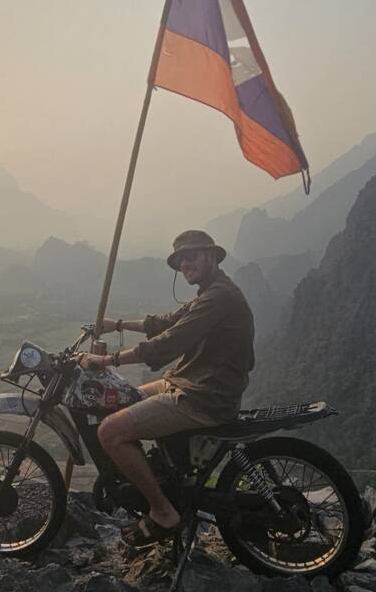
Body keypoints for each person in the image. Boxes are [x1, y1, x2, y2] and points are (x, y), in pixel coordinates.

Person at [76, 229, 255, 547]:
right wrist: (117, 324)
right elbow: (165, 322)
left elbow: (168, 343)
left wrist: (108, 361)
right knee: (123, 400)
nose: (185, 264)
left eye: (192, 255)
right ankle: (165, 476)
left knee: (109, 432)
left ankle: (163, 512)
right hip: (190, 383)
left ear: (212, 255)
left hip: (203, 396)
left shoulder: (219, 297)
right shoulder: (210, 292)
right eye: (180, 260)